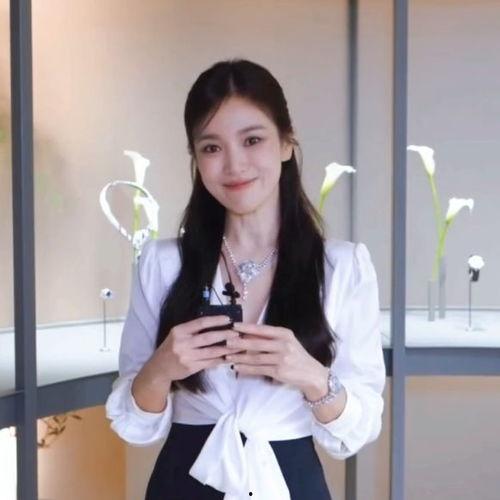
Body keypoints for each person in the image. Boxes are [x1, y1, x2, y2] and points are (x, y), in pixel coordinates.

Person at [105, 59, 386, 500]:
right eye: (211, 147)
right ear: (196, 159)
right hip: (183, 483)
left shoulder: (343, 267)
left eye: (252, 140)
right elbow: (135, 426)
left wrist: (311, 376)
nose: (234, 164)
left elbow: (359, 428)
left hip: (291, 482)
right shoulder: (162, 264)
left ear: (286, 144)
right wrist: (161, 369)